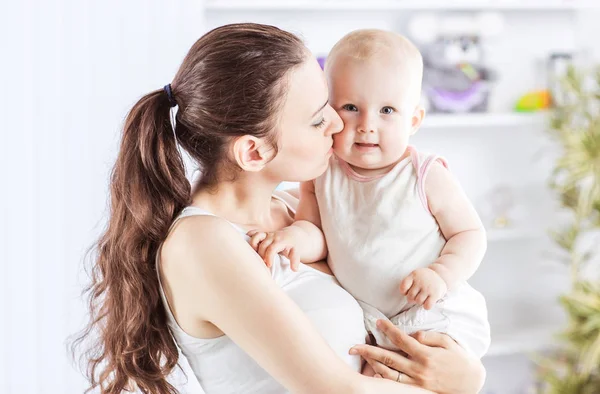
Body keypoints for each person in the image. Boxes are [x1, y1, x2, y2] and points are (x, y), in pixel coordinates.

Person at [75, 23, 486, 394]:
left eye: (331, 104)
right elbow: (340, 390)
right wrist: (464, 384)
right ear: (253, 151)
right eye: (317, 119)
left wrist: (466, 367)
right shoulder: (204, 244)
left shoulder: (298, 212)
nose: (340, 125)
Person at [250, 29, 491, 374]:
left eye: (387, 110)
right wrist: (292, 240)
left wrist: (441, 274)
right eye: (350, 107)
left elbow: (469, 234)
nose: (367, 125)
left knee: (421, 372)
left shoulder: (424, 174)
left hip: (433, 310)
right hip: (373, 320)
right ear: (330, 112)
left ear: (414, 121)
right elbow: (315, 232)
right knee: (372, 376)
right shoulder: (321, 173)